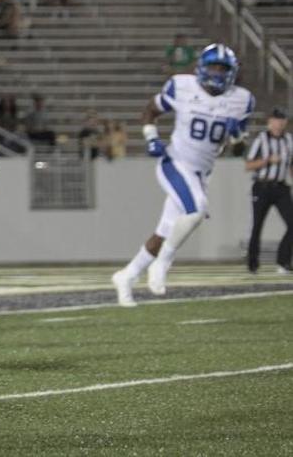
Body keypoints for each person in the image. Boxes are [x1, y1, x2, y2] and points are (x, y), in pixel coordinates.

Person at [111, 44, 254, 307]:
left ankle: (126, 275)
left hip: (202, 174)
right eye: (214, 66)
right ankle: (162, 264)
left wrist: (236, 136)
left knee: (165, 232)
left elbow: (238, 148)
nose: (218, 73)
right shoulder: (181, 86)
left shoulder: (241, 99)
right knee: (196, 210)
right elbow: (150, 110)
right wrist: (151, 137)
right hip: (175, 163)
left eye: (223, 68)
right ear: (202, 66)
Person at [244, 108, 292, 274]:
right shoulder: (261, 139)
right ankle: (252, 263)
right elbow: (248, 165)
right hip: (262, 186)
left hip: (281, 187)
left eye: (282, 120)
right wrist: (267, 161)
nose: (279, 123)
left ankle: (283, 262)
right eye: (276, 120)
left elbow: (291, 165)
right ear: (270, 122)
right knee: (256, 226)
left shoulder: (289, 140)